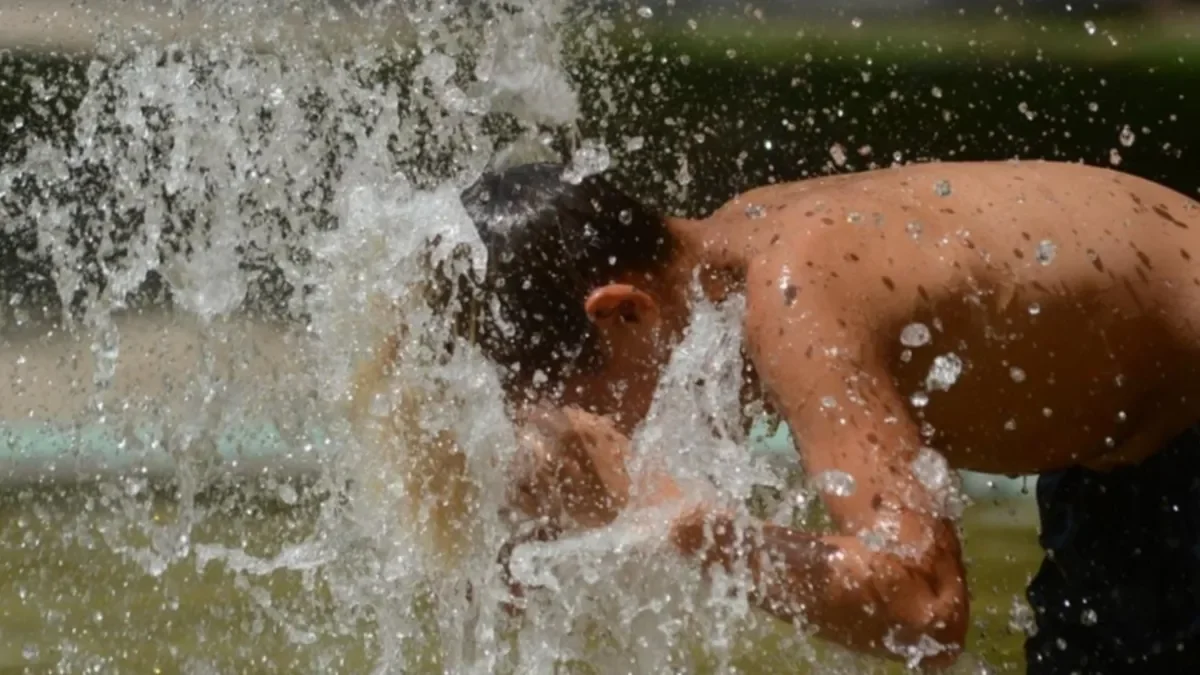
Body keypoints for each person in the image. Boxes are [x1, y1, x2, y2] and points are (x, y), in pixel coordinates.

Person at [393, 159, 1200, 673]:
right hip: (1138, 455)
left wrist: (667, 515)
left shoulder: (795, 299)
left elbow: (923, 605)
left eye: (566, 410)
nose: (588, 436)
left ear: (624, 313)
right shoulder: (734, 248)